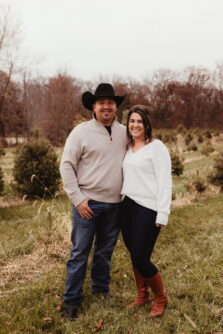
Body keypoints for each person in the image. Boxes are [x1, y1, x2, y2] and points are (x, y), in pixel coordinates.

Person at [60, 83, 127, 319]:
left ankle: (100, 288)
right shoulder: (81, 132)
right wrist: (78, 199)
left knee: (104, 252)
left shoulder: (125, 132)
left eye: (110, 102)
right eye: (102, 103)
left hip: (115, 205)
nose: (106, 107)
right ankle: (71, 301)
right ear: (94, 107)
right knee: (79, 253)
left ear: (116, 107)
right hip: (87, 204)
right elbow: (66, 166)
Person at [120, 105, 172, 317]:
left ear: (147, 124)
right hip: (127, 206)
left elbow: (165, 181)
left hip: (148, 208)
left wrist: (163, 212)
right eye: (132, 121)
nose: (135, 125)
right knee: (134, 255)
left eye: (139, 121)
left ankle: (161, 297)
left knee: (142, 257)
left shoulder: (156, 147)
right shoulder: (128, 147)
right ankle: (143, 295)